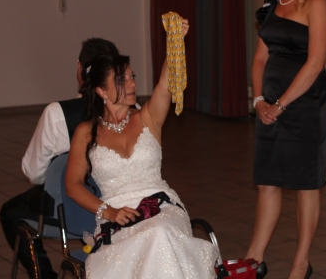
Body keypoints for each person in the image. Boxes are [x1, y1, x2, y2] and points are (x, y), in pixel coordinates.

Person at [65, 20, 218, 279]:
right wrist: (109, 211)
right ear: (101, 90)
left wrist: (175, 41)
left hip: (162, 209)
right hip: (118, 218)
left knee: (159, 234)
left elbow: (166, 82)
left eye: (132, 77)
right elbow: (73, 185)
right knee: (153, 241)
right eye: (122, 80)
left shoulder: (148, 117)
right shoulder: (86, 132)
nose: (132, 84)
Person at [245, 0, 326, 279]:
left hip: (304, 104)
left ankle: (301, 264)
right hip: (268, 106)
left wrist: (280, 104)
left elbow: (315, 63)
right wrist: (258, 100)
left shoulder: (317, 4)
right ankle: (254, 258)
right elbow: (259, 59)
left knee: (305, 185)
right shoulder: (273, 4)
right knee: (267, 182)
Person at [0, 38, 119, 279]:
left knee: (10, 212)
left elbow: (34, 173)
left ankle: (44, 275)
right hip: (118, 207)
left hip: (69, 214)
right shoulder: (133, 113)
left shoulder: (57, 113)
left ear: (79, 68)